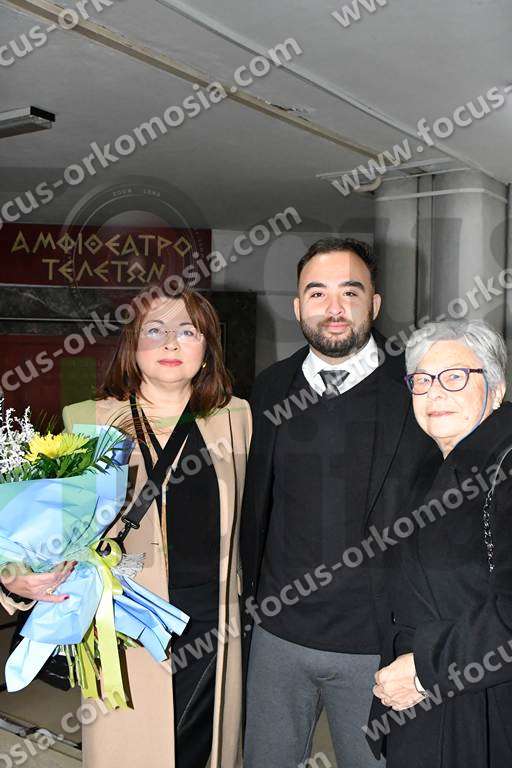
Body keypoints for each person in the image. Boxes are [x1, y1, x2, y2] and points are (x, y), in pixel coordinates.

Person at [2, 286, 251, 768]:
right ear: (132, 346)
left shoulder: (235, 417)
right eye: (154, 330)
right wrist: (12, 575)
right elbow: (36, 525)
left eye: (188, 331)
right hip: (123, 619)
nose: (171, 343)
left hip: (214, 620)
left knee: (206, 749)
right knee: (133, 750)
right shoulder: (88, 420)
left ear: (207, 349)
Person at [241, 237, 435, 767]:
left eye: (350, 292)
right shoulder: (269, 389)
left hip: (379, 646)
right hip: (278, 637)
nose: (334, 308)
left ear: (374, 303)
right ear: (297, 306)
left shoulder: (420, 385)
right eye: (317, 293)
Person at [373, 318, 512, 768]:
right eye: (423, 380)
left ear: (496, 389)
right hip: (431, 707)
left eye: (455, 377)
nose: (435, 393)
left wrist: (423, 670)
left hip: (483, 711)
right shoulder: (429, 465)